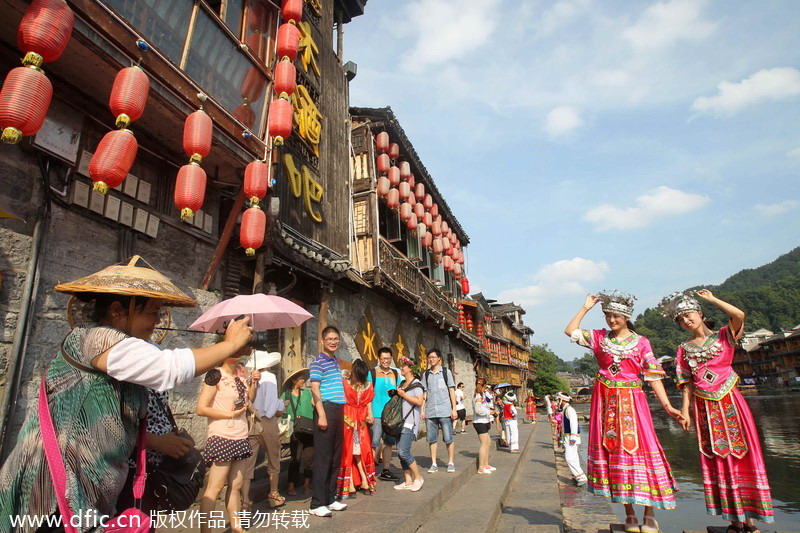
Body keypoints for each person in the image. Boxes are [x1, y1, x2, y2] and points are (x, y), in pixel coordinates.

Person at [0, 256, 253, 531]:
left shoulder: (130, 348)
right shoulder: (95, 338)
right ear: (118, 310)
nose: (158, 320)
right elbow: (168, 368)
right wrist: (228, 345)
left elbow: (166, 365)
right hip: (53, 488)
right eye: (152, 311)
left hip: (90, 488)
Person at [566, 291, 682, 533]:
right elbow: (570, 330)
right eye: (608, 316)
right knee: (616, 453)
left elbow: (652, 377)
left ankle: (649, 514)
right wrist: (585, 308)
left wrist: (668, 405)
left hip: (633, 402)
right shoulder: (598, 337)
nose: (611, 320)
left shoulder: (641, 342)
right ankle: (629, 514)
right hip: (606, 404)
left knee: (643, 451)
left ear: (626, 317)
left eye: (616, 316)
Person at [661, 289, 773, 532]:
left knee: (741, 455)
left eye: (689, 315)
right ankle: (733, 521)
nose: (686, 321)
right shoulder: (684, 349)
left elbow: (739, 314)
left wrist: (712, 299)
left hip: (730, 402)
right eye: (681, 319)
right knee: (718, 458)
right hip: (704, 408)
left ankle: (750, 521)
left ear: (700, 314)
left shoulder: (724, 336)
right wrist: (685, 411)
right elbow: (687, 384)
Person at [197, 344, 260, 533]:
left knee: (237, 485)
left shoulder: (242, 371)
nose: (240, 352)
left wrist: (254, 383)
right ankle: (205, 530)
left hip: (241, 435)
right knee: (215, 488)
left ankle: (236, 525)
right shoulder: (215, 375)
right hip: (222, 435)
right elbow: (201, 409)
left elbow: (249, 399)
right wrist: (229, 415)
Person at [308, 326, 348, 517]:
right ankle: (317, 503)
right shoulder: (317, 362)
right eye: (329, 339)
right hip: (326, 409)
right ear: (322, 341)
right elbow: (314, 388)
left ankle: (330, 498)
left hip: (338, 410)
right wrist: (322, 414)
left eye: (336, 338)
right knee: (323, 457)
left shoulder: (334, 361)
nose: (333, 341)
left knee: (335, 456)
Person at [242, 351, 285, 510]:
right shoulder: (270, 377)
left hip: (251, 421)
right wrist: (281, 405)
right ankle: (273, 492)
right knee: (274, 456)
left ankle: (245, 500)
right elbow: (271, 405)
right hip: (267, 420)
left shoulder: (249, 378)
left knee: (248, 462)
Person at [337, 358, 377, 499]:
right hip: (347, 420)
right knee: (349, 451)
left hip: (360, 421)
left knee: (360, 450)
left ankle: (363, 480)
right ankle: (352, 483)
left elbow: (368, 402)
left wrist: (370, 414)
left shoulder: (368, 385)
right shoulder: (345, 384)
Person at [421, 348, 457, 473]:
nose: (431, 359)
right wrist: (422, 410)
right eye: (429, 357)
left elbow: (452, 391)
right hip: (431, 411)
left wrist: (454, 409)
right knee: (431, 439)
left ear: (439, 358)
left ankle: (451, 462)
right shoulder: (426, 375)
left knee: (448, 438)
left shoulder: (446, 372)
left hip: (445, 410)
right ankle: (434, 463)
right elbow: (425, 393)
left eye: (433, 357)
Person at [393, 357, 425, 491]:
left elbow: (419, 401)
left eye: (403, 366)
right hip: (399, 421)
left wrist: (403, 395)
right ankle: (408, 480)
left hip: (409, 422)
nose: (401, 368)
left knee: (403, 451)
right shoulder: (402, 383)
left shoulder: (416, 384)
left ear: (410, 368)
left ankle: (418, 477)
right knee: (401, 453)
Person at [368, 347, 400, 481]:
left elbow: (399, 392)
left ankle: (386, 469)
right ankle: (370, 471)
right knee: (374, 442)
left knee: (389, 443)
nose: (386, 361)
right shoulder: (372, 373)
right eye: (383, 359)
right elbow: (368, 394)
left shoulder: (396, 373)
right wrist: (369, 412)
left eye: (388, 358)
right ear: (378, 359)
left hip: (391, 416)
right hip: (376, 413)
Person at [281, 367, 314, 496]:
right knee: (296, 458)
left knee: (309, 459)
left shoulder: (308, 393)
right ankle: (291, 485)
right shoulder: (286, 394)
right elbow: (282, 410)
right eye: (301, 379)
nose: (303, 381)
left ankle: (306, 485)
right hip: (295, 430)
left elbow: (315, 404)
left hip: (310, 429)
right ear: (294, 381)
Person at [557, 393, 587, 486]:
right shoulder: (566, 409)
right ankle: (578, 475)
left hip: (571, 437)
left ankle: (581, 476)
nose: (558, 402)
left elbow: (574, 423)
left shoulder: (569, 410)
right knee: (574, 457)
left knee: (569, 457)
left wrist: (573, 437)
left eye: (559, 400)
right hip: (568, 436)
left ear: (563, 400)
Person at [472, 378, 497, 474]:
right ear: (483, 386)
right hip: (479, 422)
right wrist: (489, 412)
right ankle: (481, 467)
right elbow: (478, 410)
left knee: (488, 442)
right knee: (484, 444)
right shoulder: (478, 396)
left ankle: (486, 464)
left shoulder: (481, 395)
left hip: (483, 421)